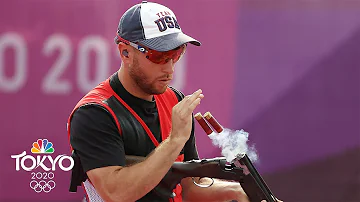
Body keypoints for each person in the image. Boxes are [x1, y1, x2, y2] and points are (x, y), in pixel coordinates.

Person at [67, 1, 267, 202]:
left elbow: (190, 187)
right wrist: (174, 141)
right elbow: (116, 193)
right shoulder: (94, 112)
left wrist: (237, 192)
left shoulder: (174, 100)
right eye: (159, 56)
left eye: (176, 54)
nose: (170, 68)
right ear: (125, 52)